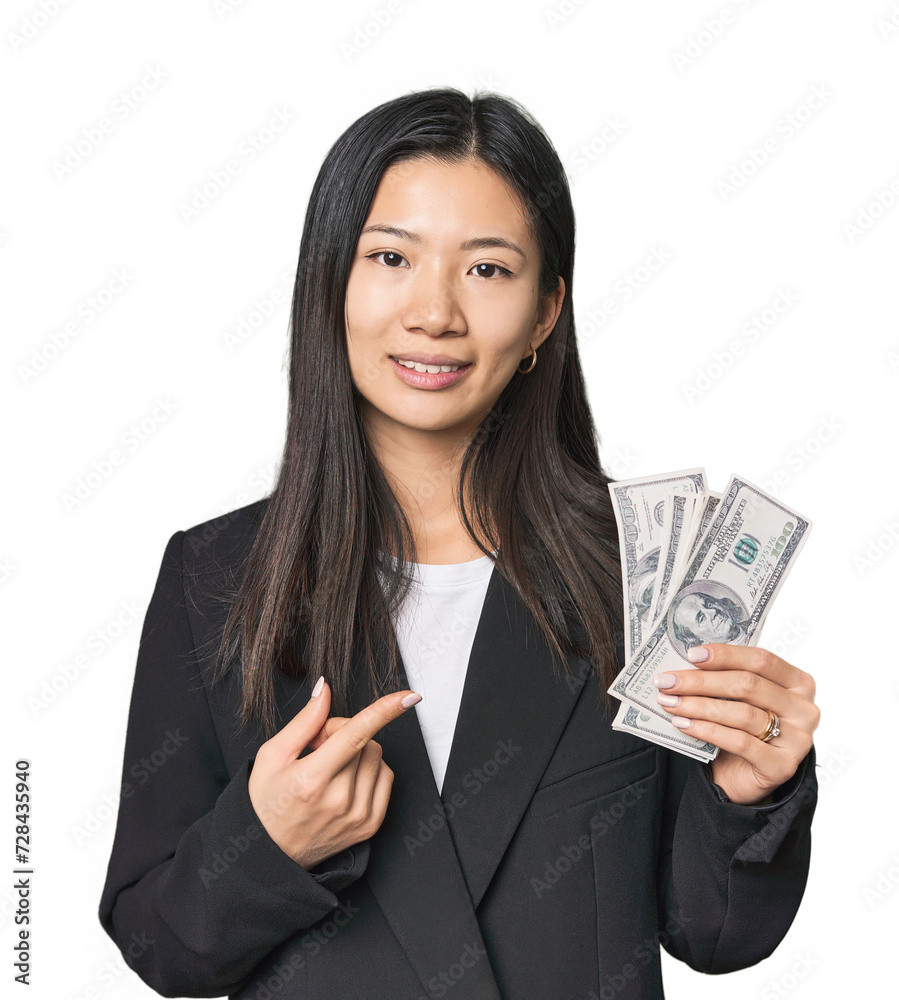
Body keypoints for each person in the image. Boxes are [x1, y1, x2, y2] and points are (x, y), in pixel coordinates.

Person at [98, 87, 820, 999]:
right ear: (329, 283)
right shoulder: (214, 579)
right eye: (391, 256)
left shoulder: (643, 571)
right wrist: (263, 842)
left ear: (545, 313)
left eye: (486, 269)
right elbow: (160, 946)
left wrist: (752, 792)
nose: (433, 312)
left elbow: (714, 935)